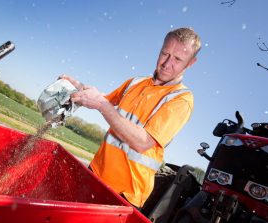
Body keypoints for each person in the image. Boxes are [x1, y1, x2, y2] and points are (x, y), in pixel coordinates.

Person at [60, 27, 201, 208]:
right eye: (165, 53)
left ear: (190, 63)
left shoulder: (181, 99)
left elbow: (142, 142)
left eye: (177, 59)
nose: (167, 63)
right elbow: (104, 100)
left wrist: (101, 105)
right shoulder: (136, 82)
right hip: (95, 172)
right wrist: (78, 87)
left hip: (125, 194)